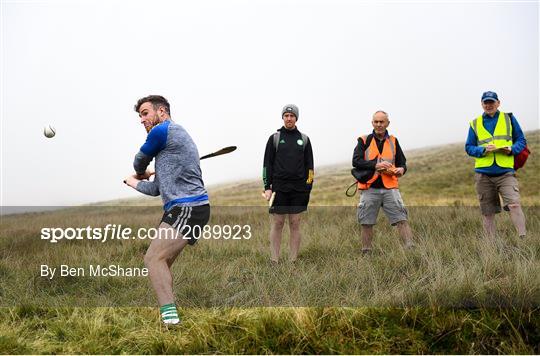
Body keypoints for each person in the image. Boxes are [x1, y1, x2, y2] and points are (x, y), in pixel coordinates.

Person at [124, 95, 210, 325]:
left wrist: (140, 171)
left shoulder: (164, 130)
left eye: (145, 113)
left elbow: (139, 160)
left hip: (188, 207)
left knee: (153, 259)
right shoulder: (167, 151)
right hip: (185, 208)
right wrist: (134, 182)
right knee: (161, 265)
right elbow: (155, 190)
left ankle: (170, 322)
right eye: (140, 116)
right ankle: (170, 313)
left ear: (161, 111)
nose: (142, 120)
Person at [465, 91, 527, 239]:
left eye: (491, 102)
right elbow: (468, 147)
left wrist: (512, 149)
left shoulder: (509, 119)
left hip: (506, 173)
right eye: (485, 102)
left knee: (514, 205)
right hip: (483, 175)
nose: (489, 105)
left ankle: (523, 237)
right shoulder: (475, 123)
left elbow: (521, 141)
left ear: (498, 103)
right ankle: (491, 245)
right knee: (488, 212)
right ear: (481, 104)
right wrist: (482, 150)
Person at [352, 110, 414, 254]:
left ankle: (410, 249)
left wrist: (401, 170)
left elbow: (402, 163)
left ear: (387, 123)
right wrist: (375, 165)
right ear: (372, 123)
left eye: (382, 122)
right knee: (366, 222)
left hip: (390, 188)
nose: (379, 125)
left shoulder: (393, 141)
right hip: (369, 188)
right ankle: (366, 252)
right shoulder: (363, 140)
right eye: (376, 122)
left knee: (401, 218)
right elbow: (356, 161)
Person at [262, 104, 314, 263]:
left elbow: (310, 166)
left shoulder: (304, 139)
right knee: (278, 223)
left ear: (296, 118)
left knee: (295, 223)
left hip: (299, 189)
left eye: (292, 116)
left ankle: (293, 261)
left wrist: (308, 187)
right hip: (279, 188)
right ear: (283, 118)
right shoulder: (275, 138)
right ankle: (274, 260)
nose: (289, 118)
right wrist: (267, 187)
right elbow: (267, 164)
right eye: (286, 115)